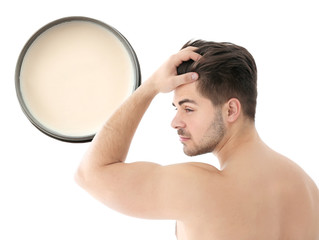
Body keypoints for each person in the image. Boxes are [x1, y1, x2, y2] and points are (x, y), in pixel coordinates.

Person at [75, 40, 319, 239]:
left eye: (188, 109)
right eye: (175, 109)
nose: (175, 122)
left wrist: (150, 86)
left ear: (231, 110)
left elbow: (90, 173)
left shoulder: (202, 188)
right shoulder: (306, 187)